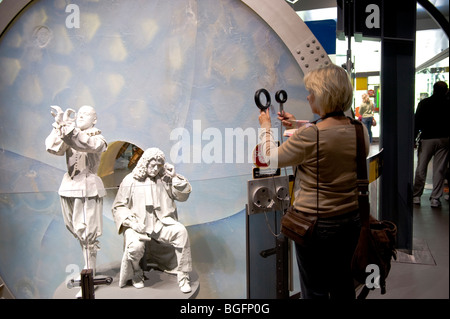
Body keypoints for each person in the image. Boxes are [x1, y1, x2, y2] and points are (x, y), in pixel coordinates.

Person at [258, 64, 369, 299]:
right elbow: (329, 136)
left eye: (312, 92)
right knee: (343, 285)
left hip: (315, 227)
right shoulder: (360, 130)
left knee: (314, 290)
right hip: (351, 221)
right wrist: (298, 124)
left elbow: (269, 158)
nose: (308, 97)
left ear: (324, 95)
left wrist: (265, 128)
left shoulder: (312, 135)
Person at [45, 105, 107, 296]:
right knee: (76, 230)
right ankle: (89, 269)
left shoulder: (98, 139)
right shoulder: (69, 134)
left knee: (87, 233)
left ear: (94, 120)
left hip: (87, 188)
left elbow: (83, 144)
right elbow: (53, 147)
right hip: (69, 187)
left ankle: (89, 275)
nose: (80, 115)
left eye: (86, 113)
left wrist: (68, 128)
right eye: (79, 113)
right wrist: (59, 125)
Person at [111, 148, 193, 293]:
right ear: (145, 163)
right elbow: (118, 207)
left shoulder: (164, 178)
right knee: (135, 247)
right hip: (137, 225)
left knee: (181, 232)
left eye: (159, 166)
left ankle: (183, 275)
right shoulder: (130, 180)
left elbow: (183, 196)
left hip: (161, 224)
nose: (155, 169)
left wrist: (174, 177)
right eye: (152, 165)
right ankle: (136, 272)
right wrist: (132, 223)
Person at [413, 81, 449, 208]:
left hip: (427, 138)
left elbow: (417, 122)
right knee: (439, 169)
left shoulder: (424, 103)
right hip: (444, 139)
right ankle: (435, 198)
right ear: (446, 90)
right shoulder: (448, 103)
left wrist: (413, 138)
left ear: (433, 89)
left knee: (421, 167)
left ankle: (416, 195)